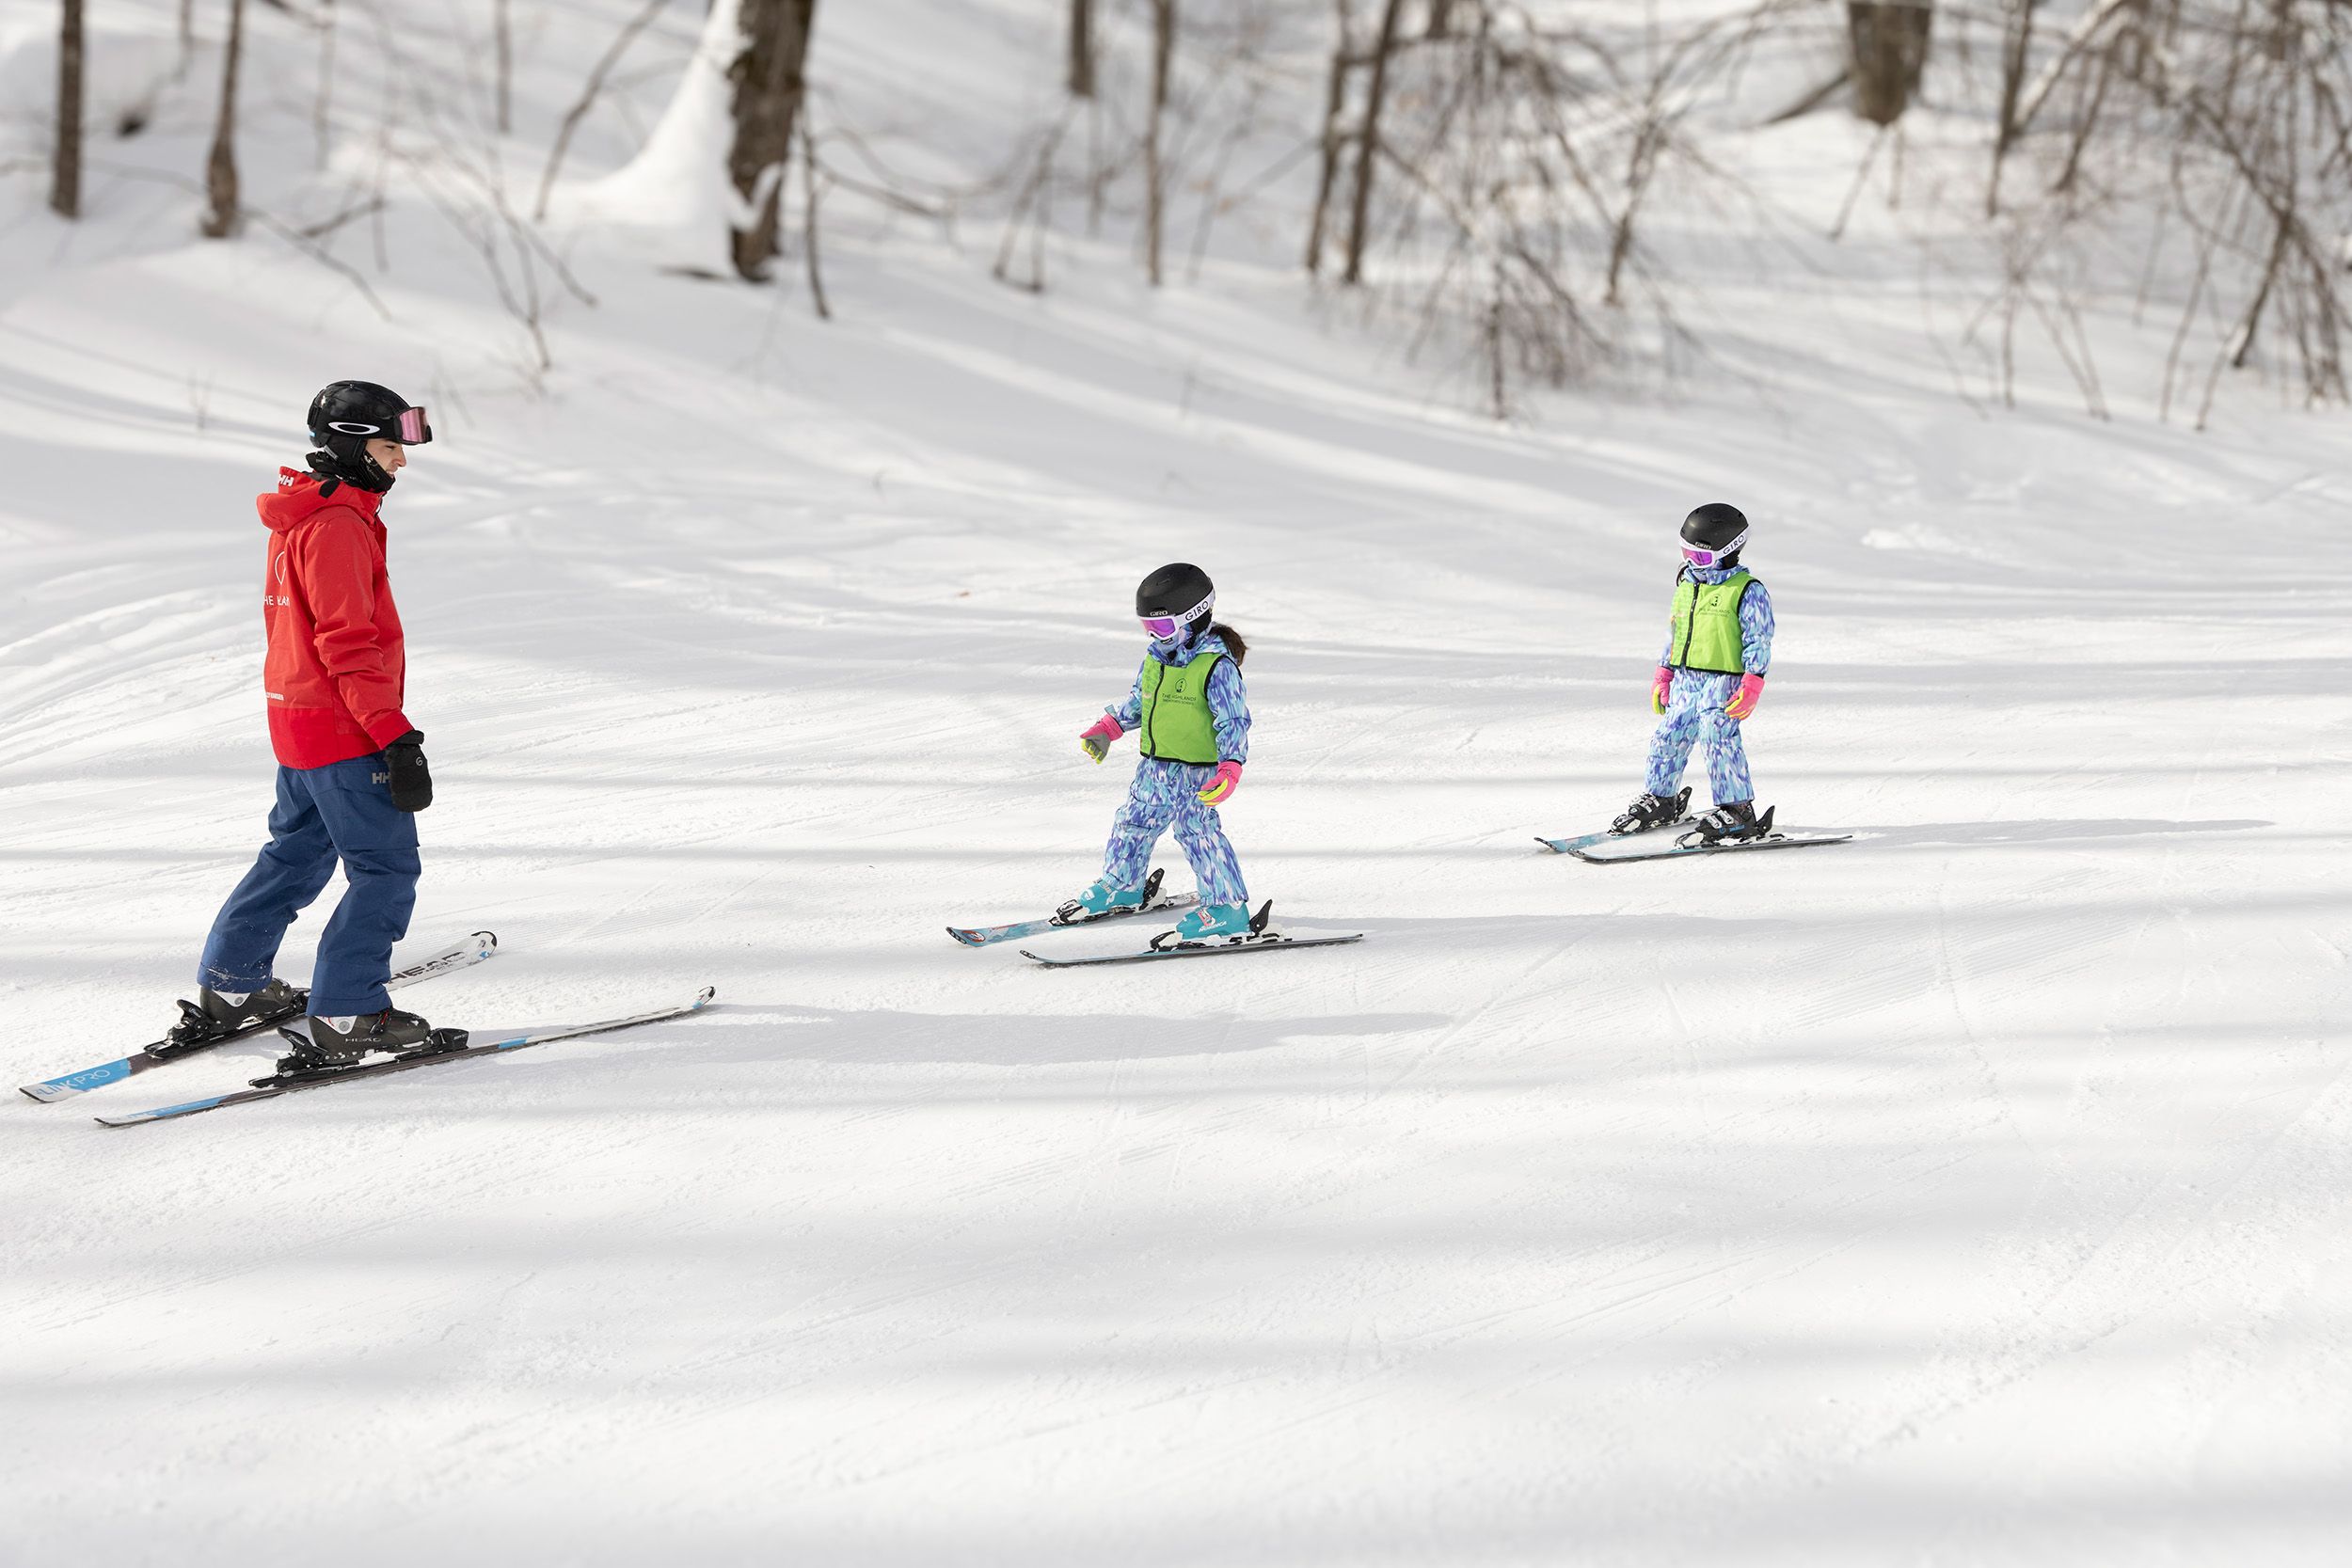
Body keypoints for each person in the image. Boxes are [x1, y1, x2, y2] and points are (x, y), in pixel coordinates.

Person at [180, 380, 442, 1072]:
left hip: (298, 722)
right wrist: (394, 733)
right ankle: (350, 1010)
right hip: (344, 729)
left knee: (295, 855)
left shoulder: (306, 514)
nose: (401, 464)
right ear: (356, 447)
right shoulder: (336, 527)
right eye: (391, 448)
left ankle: (233, 986)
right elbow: (347, 643)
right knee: (385, 868)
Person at [1068, 563, 1256, 942]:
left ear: (1194, 618)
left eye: (1164, 627)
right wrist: (1109, 728)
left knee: (1197, 832)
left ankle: (1228, 908)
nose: (1155, 635)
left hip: (1198, 772)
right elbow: (1141, 701)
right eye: (1148, 627)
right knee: (1132, 822)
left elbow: (1233, 720)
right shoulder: (1156, 658)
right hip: (1155, 766)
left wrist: (1231, 766)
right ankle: (1123, 884)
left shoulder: (1216, 666)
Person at [1613, 502, 1777, 843]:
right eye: (1685, 553)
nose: (1690, 563)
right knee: (1669, 735)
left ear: (1728, 552)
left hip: (1724, 680)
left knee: (1718, 739)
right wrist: (1664, 672)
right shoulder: (1686, 585)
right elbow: (1676, 633)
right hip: (1687, 679)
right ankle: (1662, 798)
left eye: (1700, 558)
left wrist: (1752, 682)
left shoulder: (1747, 590)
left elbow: (1759, 639)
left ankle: (1737, 809)